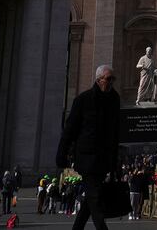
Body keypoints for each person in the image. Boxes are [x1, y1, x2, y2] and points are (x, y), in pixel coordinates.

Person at [57, 65, 121, 230]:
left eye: (113, 79)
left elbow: (116, 132)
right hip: (86, 157)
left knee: (90, 199)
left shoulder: (115, 99)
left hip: (104, 158)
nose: (112, 82)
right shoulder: (82, 100)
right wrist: (61, 154)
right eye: (109, 79)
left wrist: (116, 161)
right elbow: (70, 129)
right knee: (95, 197)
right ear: (99, 80)